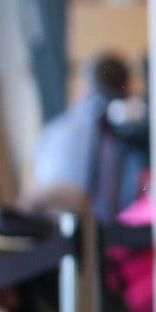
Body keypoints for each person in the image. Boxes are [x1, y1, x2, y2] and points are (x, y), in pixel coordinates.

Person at [31, 51, 132, 218]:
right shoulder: (116, 132)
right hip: (105, 232)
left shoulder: (54, 129)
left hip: (53, 228)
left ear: (84, 85)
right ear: (127, 86)